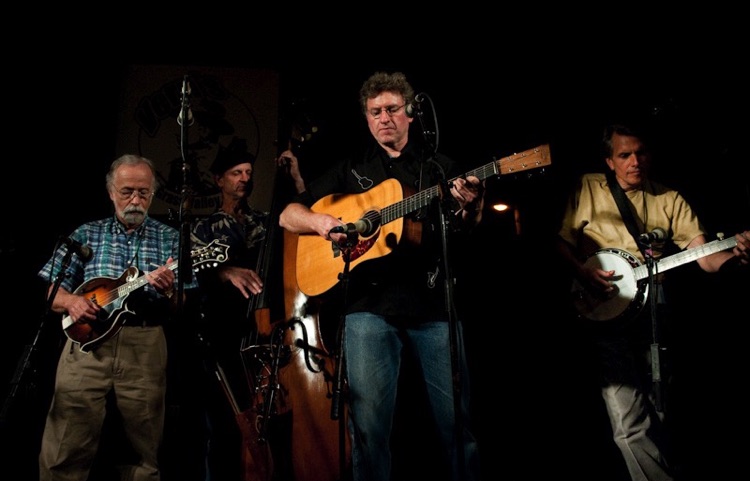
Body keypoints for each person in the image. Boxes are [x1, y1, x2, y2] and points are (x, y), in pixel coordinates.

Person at [278, 71, 483, 481]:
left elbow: (466, 229)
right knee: (369, 428)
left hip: (433, 306)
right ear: (366, 118)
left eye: (391, 109)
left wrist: (471, 207)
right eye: (375, 112)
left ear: (411, 113)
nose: (384, 118)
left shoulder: (440, 168)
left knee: (456, 423)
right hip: (368, 308)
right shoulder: (352, 168)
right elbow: (288, 214)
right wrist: (321, 222)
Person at [555, 123, 749, 481]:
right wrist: (583, 273)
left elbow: (705, 256)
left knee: (661, 407)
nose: (635, 161)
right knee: (627, 415)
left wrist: (735, 257)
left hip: (655, 310)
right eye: (625, 155)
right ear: (609, 161)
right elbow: (560, 244)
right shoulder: (589, 187)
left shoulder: (669, 198)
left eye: (641, 152)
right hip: (604, 308)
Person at [37, 154, 199, 481]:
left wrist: (170, 291)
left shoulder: (171, 239)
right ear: (111, 192)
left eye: (143, 192)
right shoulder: (87, 234)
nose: (135, 200)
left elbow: (183, 304)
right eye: (127, 192)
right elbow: (52, 288)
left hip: (145, 343)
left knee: (143, 445)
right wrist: (72, 302)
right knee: (66, 440)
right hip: (87, 344)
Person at [190, 137, 305, 481]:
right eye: (236, 173)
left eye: (248, 173)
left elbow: (304, 222)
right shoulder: (202, 228)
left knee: (275, 422)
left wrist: (296, 180)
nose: (244, 178)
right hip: (223, 336)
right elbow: (189, 276)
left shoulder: (266, 221)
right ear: (219, 180)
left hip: (268, 333)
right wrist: (225, 272)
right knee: (222, 426)